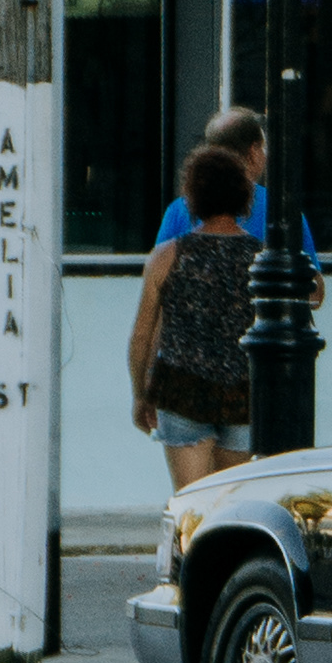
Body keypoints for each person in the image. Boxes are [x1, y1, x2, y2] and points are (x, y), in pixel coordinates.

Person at [130, 139, 266, 491]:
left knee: (192, 503)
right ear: (243, 196)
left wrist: (141, 393)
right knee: (232, 502)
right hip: (244, 391)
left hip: (182, 389)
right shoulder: (263, 258)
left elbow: (142, 336)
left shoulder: (167, 256)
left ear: (192, 196)